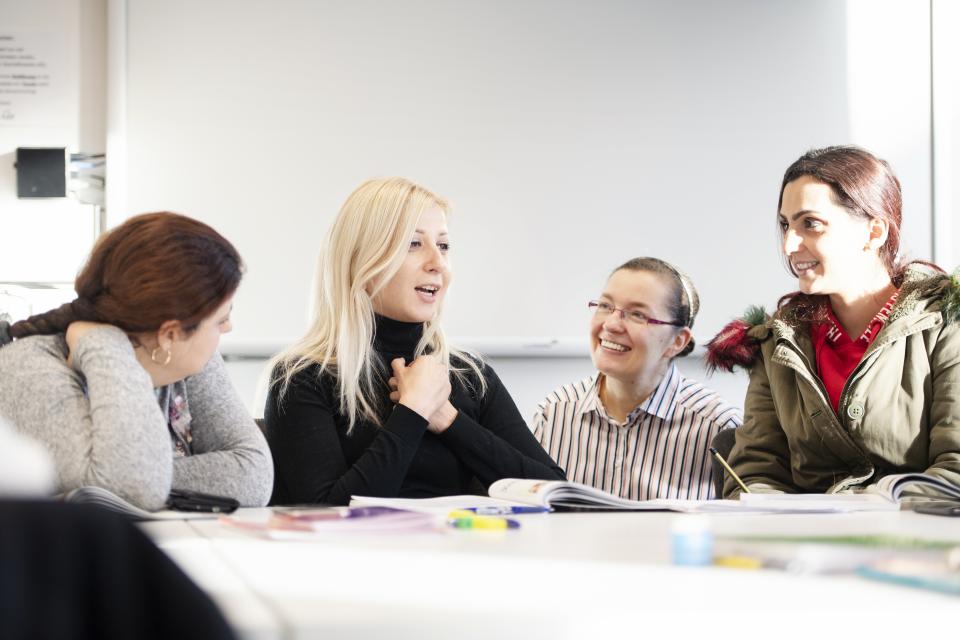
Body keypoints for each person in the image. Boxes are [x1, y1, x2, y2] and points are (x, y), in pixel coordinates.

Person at [265, 177, 565, 505]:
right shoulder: (302, 377)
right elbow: (328, 511)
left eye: (444, 245)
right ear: (363, 261)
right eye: (414, 243)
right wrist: (413, 411)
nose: (438, 263)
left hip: (462, 554)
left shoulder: (471, 376)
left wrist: (449, 420)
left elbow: (552, 491)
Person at [707, 145, 960, 497]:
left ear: (875, 233)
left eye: (811, 224)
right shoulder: (777, 340)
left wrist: (862, 511)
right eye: (785, 225)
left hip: (918, 544)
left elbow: (955, 471)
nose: (789, 245)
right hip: (808, 545)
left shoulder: (948, 323)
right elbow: (757, 471)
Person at [0, 212, 273, 510]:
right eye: (222, 318)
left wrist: (134, 473)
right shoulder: (29, 368)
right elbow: (133, 488)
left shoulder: (187, 360)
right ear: (169, 334)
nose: (227, 328)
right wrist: (105, 346)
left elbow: (252, 472)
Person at [534, 257, 741, 500]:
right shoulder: (555, 413)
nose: (611, 325)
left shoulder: (718, 426)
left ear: (677, 342)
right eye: (605, 306)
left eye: (637, 315)